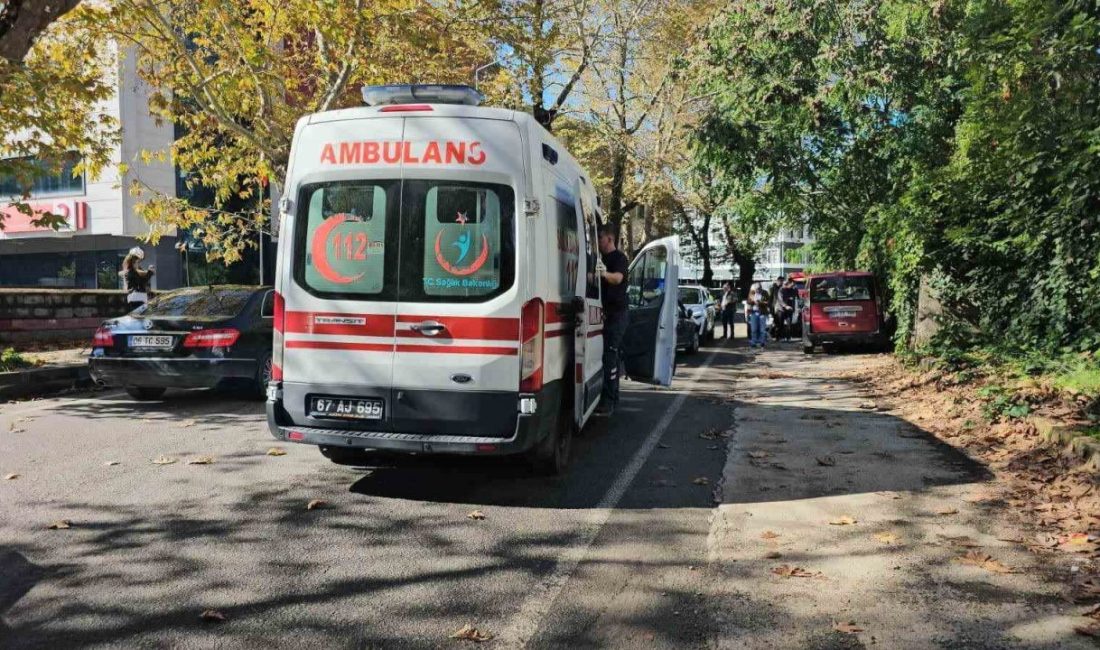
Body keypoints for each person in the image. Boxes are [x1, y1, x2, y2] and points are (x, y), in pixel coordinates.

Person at [595, 225, 629, 416]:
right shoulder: (599, 259)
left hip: (618, 315)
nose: (598, 241)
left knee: (610, 355)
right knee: (610, 357)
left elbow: (617, 278)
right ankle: (612, 397)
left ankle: (608, 401)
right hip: (605, 314)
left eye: (600, 237)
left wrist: (603, 274)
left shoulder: (619, 258)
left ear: (609, 238)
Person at [120, 247, 155, 311]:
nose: (138, 264)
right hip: (136, 298)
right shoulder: (131, 272)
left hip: (136, 297)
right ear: (133, 262)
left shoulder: (132, 271)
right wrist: (149, 273)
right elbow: (141, 281)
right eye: (137, 262)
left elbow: (141, 275)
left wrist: (149, 273)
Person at [746, 282, 769, 349]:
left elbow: (768, 302)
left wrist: (760, 302)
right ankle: (753, 342)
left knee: (762, 329)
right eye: (756, 289)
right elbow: (748, 301)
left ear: (760, 288)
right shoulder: (752, 292)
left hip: (762, 313)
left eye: (758, 289)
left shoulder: (765, 293)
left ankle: (762, 342)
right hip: (753, 312)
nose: (757, 290)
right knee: (754, 329)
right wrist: (753, 302)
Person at [776, 277, 799, 342]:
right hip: (781, 309)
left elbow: (797, 298)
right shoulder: (781, 290)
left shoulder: (793, 290)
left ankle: (788, 338)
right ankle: (779, 337)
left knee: (789, 324)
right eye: (791, 284)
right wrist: (785, 306)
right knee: (780, 324)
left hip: (789, 310)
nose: (792, 285)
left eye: (793, 284)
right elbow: (780, 300)